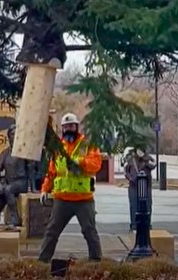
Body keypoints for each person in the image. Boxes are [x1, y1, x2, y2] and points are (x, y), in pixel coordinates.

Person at [38, 112, 104, 263]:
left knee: (89, 231)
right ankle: (42, 262)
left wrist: (79, 161)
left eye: (71, 126)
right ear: (62, 129)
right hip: (62, 199)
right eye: (66, 127)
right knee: (51, 231)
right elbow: (52, 172)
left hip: (83, 199)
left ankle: (96, 262)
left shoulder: (87, 145)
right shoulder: (57, 148)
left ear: (77, 127)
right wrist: (44, 189)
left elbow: (96, 165)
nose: (69, 129)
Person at [0, 126, 31, 236]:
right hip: (8, 185)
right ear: (9, 137)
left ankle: (15, 218)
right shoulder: (5, 153)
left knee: (8, 190)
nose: (14, 137)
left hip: (21, 183)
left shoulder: (23, 152)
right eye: (12, 134)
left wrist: (34, 187)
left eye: (16, 134)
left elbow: (31, 170)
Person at [123, 147, 155, 230]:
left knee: (147, 205)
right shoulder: (131, 159)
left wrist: (145, 158)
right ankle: (134, 224)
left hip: (146, 186)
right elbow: (125, 170)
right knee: (134, 205)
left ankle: (147, 224)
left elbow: (153, 165)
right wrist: (130, 178)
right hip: (133, 185)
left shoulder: (148, 158)